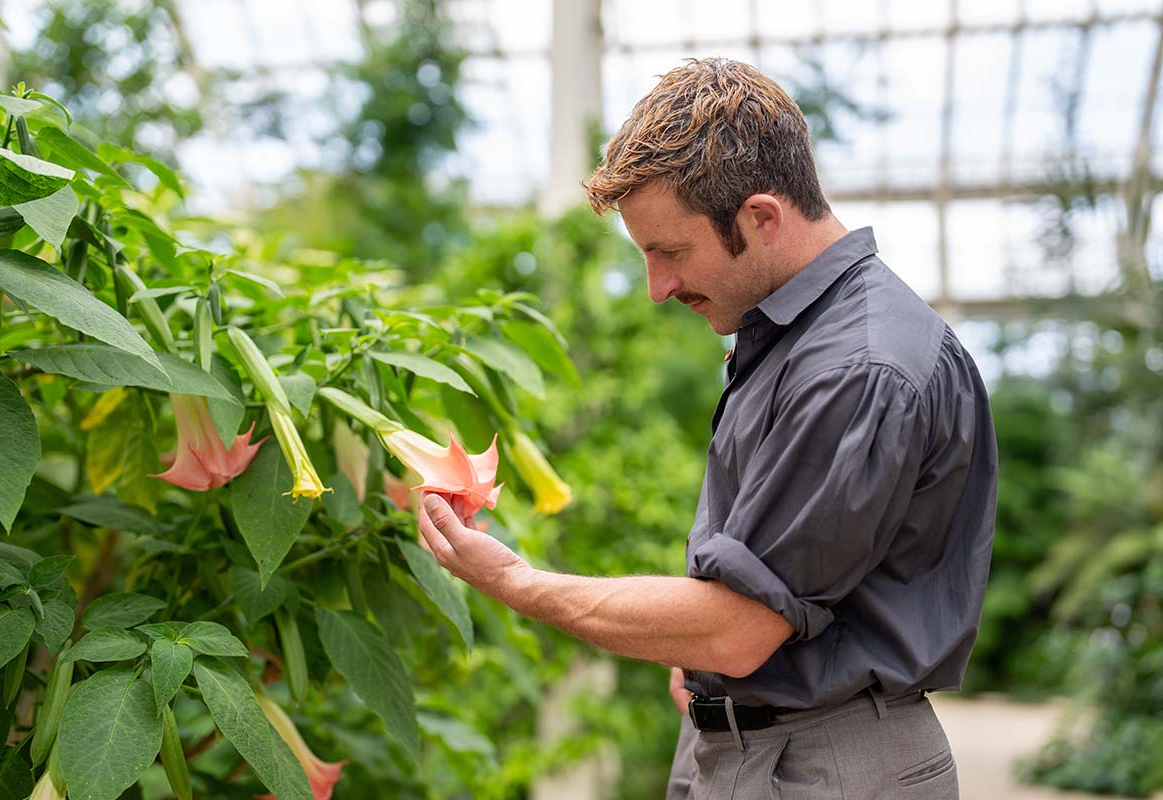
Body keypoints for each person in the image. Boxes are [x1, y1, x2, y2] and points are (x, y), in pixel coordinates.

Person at [418, 57, 997, 799]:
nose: (658, 288)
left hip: (823, 767)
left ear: (760, 217)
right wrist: (688, 643)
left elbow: (740, 629)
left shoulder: (858, 367)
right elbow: (767, 578)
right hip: (745, 747)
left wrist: (515, 581)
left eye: (671, 252)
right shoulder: (796, 337)